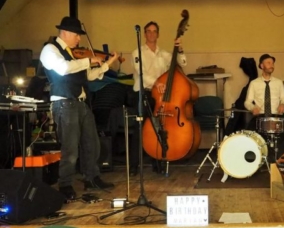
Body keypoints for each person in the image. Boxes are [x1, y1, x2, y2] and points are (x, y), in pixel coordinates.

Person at [41, 16, 120, 200]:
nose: (79, 39)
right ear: (66, 33)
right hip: (64, 103)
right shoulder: (50, 50)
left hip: (81, 103)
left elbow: (89, 77)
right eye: (77, 35)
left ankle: (91, 177)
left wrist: (107, 64)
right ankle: (65, 184)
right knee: (70, 149)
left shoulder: (74, 53)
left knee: (91, 143)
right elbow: (62, 69)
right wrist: (88, 60)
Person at [129, 22, 186, 175]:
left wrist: (179, 49)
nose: (152, 34)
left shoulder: (165, 54)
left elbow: (182, 63)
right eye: (149, 31)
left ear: (158, 34)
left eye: (155, 31)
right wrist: (156, 83)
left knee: (158, 127)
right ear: (145, 34)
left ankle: (157, 162)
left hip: (160, 97)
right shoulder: (137, 52)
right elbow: (140, 72)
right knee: (140, 128)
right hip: (144, 93)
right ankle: (134, 166)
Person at [245, 54, 284, 153]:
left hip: (276, 116)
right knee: (249, 135)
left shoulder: (278, 83)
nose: (272, 65)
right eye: (269, 63)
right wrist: (252, 107)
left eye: (273, 63)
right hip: (261, 116)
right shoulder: (254, 83)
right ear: (262, 66)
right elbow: (247, 102)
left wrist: (283, 105)